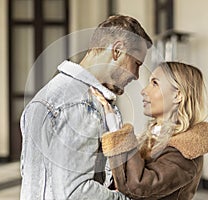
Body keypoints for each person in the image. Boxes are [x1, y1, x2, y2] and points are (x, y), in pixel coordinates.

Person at [19, 15, 152, 200]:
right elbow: (76, 193)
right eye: (136, 64)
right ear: (117, 50)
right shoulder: (81, 104)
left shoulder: (47, 95)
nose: (137, 76)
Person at [93, 62, 208, 200]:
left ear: (177, 95)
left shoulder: (185, 151)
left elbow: (137, 187)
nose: (144, 91)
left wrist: (116, 131)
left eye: (154, 83)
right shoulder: (151, 137)